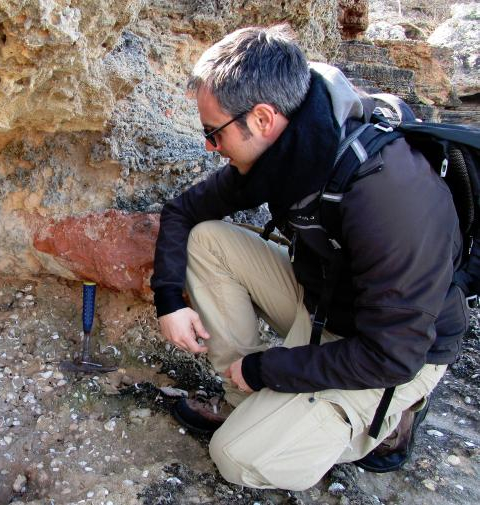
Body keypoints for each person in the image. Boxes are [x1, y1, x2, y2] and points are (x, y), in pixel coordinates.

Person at [150, 25, 468, 491]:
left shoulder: (388, 196)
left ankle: (394, 415)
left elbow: (392, 353)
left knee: (236, 458)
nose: (208, 147)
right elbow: (183, 212)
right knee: (208, 240)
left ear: (262, 118)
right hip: (325, 302)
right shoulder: (286, 149)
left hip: (400, 350)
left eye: (212, 133)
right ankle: (246, 404)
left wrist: (265, 369)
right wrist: (168, 301)